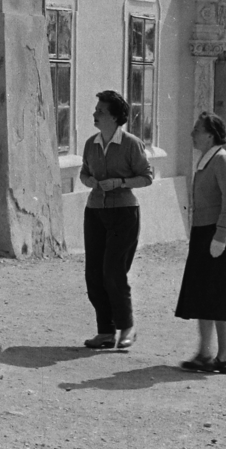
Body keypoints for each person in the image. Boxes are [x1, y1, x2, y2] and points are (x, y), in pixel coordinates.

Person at [175, 112, 226, 375]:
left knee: (220, 295)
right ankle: (205, 353)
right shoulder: (205, 161)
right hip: (205, 232)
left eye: (197, 129)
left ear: (210, 134)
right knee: (203, 295)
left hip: (224, 234)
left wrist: (220, 236)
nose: (192, 134)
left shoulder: (221, 160)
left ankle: (224, 356)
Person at [80, 90, 154, 350]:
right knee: (94, 275)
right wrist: (89, 181)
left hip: (124, 213)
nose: (95, 114)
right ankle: (105, 331)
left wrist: (120, 182)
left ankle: (127, 328)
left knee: (113, 272)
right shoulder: (91, 143)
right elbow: (84, 173)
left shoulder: (131, 144)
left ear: (113, 117)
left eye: (100, 111)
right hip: (95, 212)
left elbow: (146, 176)